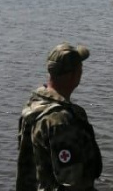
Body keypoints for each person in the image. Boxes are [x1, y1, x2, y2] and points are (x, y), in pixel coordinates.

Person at [16, 43, 103, 191]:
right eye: (80, 67)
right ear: (74, 74)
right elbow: (72, 182)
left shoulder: (35, 105)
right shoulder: (61, 121)